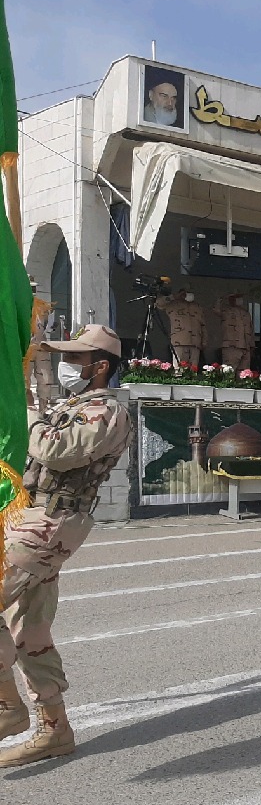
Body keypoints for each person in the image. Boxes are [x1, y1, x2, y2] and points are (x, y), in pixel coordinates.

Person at [1, 325, 132, 767]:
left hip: (53, 522)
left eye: (75, 358)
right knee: (29, 629)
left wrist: (30, 413)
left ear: (99, 367)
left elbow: (54, 451)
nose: (66, 365)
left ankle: (8, 707)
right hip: (36, 515)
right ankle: (54, 730)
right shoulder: (74, 405)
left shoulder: (107, 413)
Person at [157, 288, 206, 366]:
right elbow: (159, 303)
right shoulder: (173, 304)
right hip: (179, 342)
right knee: (179, 369)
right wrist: (174, 296)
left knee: (193, 370)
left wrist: (204, 341)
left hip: (195, 342)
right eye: (184, 293)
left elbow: (202, 325)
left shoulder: (197, 306)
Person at [217, 294, 254, 371]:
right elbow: (216, 310)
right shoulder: (226, 311)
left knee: (244, 374)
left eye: (240, 297)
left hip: (246, 347)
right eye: (236, 298)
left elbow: (251, 330)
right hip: (232, 347)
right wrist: (220, 300)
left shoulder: (246, 313)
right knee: (229, 372)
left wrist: (252, 346)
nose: (239, 300)